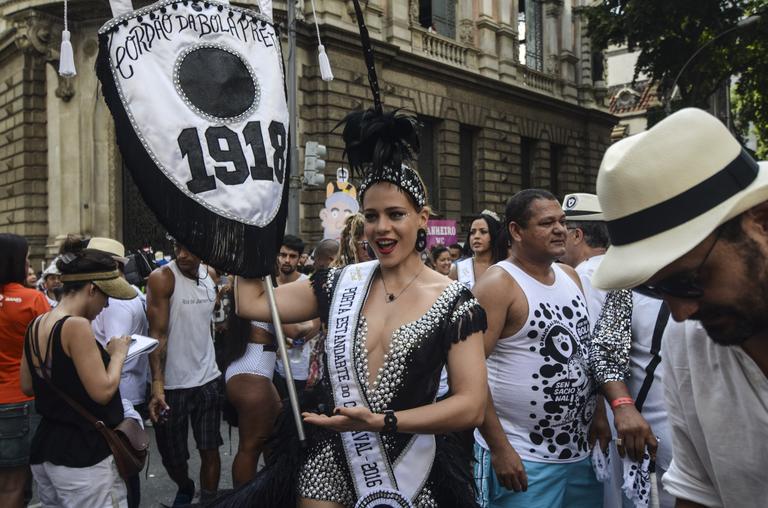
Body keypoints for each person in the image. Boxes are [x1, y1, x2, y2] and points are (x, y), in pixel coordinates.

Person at [218, 107, 488, 508]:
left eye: (396, 215)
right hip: (330, 457)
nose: (382, 228)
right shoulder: (341, 282)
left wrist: (382, 422)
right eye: (373, 216)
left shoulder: (455, 301)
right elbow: (252, 301)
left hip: (412, 465)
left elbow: (471, 405)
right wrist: (252, 218)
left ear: (422, 219)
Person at [592, 108, 768, 507]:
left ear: (762, 223)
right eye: (656, 289)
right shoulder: (689, 341)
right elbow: (697, 490)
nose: (681, 313)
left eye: (689, 281)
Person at [473, 189, 608, 508]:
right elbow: (470, 373)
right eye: (547, 223)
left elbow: (584, 352)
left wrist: (599, 413)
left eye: (562, 221)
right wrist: (500, 448)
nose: (560, 229)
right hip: (523, 460)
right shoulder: (498, 284)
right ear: (516, 231)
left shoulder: (570, 276)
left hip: (579, 456)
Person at [19, 246, 137, 507]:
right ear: (92, 289)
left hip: (47, 450)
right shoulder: (76, 325)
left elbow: (27, 385)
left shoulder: (37, 323)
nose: (106, 305)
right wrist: (117, 354)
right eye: (105, 296)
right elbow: (103, 392)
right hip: (83, 456)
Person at [146, 241, 222, 505]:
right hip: (172, 385)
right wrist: (158, 384)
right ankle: (185, 484)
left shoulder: (210, 275)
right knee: (172, 456)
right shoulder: (163, 278)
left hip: (208, 380)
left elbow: (209, 317)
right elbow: (157, 334)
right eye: (178, 248)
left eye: (190, 248)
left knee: (210, 449)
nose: (182, 255)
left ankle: (209, 501)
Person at [86, 237, 149, 508]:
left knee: (122, 461)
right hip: (123, 387)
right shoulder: (131, 292)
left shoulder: (117, 302)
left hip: (119, 389)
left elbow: (116, 350)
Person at [0, 234, 50, 507]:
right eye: (26, 258)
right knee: (14, 486)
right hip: (18, 402)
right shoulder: (33, 300)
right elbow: (47, 355)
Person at [221, 299, 281, 487]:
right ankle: (243, 499)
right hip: (253, 375)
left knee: (272, 440)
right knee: (250, 447)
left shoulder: (246, 296)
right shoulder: (265, 298)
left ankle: (266, 493)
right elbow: (294, 331)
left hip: (249, 373)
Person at [273, 235, 319, 398]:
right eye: (283, 255)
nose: (286, 260)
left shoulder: (307, 284)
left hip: (299, 364)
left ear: (299, 259)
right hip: (270, 364)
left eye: (292, 256)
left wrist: (298, 339)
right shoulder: (269, 283)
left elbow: (317, 323)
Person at [559, 193, 609, 324]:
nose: (558, 233)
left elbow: (590, 334)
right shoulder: (611, 266)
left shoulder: (584, 275)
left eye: (563, 227)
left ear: (577, 235)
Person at [450, 211, 503, 289]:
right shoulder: (458, 269)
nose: (476, 236)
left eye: (483, 232)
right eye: (472, 232)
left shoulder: (504, 267)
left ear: (493, 234)